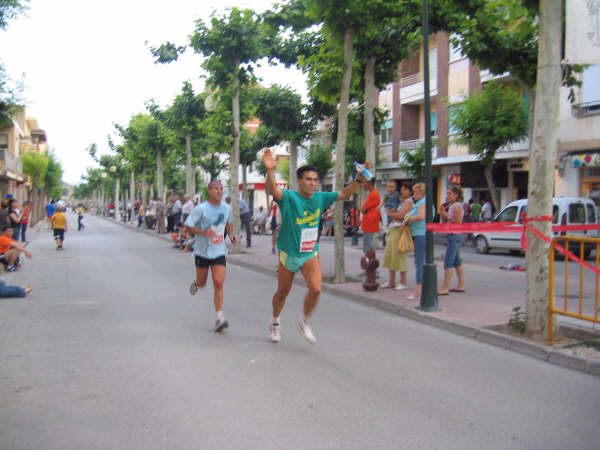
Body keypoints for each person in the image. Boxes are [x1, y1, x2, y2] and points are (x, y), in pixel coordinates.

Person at [263, 148, 369, 344]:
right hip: (289, 252)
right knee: (283, 292)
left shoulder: (321, 197)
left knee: (316, 289)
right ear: (299, 182)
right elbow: (273, 190)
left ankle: (304, 321)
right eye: (308, 179)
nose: (312, 183)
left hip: (309, 253)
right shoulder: (289, 197)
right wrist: (270, 171)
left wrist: (360, 179)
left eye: (314, 179)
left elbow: (346, 193)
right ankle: (275, 321)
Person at [185, 180, 238, 332]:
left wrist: (231, 235)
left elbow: (228, 223)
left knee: (219, 282)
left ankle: (219, 317)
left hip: (219, 250)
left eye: (221, 189)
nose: (219, 191)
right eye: (216, 189)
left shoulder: (226, 208)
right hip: (202, 251)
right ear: (209, 190)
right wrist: (204, 233)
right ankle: (195, 283)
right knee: (202, 283)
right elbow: (188, 226)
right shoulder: (200, 209)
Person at [382, 181, 414, 290]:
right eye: (402, 189)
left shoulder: (409, 202)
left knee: (399, 256)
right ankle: (391, 280)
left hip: (400, 230)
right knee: (390, 255)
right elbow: (396, 214)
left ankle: (403, 281)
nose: (402, 191)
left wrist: (390, 213)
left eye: (405, 189)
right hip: (393, 228)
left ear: (410, 192)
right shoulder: (400, 201)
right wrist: (393, 214)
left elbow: (401, 215)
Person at [438, 185, 466, 295]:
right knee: (456, 261)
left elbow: (458, 222)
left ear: (456, 195)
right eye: (447, 193)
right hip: (451, 235)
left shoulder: (457, 206)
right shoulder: (451, 205)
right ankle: (461, 285)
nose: (447, 196)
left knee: (448, 261)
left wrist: (446, 215)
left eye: (450, 194)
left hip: (455, 235)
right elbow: (445, 221)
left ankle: (445, 287)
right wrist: (443, 213)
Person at [404, 183, 427, 301]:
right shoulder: (424, 202)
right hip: (422, 234)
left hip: (420, 234)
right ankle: (422, 289)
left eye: (416, 192)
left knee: (419, 263)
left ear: (421, 192)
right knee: (421, 262)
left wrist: (409, 219)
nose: (414, 195)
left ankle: (419, 291)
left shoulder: (422, 203)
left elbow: (421, 216)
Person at [361, 177, 381, 255]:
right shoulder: (374, 193)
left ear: (369, 183)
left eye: (364, 182)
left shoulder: (373, 194)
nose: (363, 185)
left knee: (367, 244)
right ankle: (370, 260)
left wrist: (363, 208)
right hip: (370, 222)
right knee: (369, 242)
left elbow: (363, 209)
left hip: (369, 222)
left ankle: (369, 261)